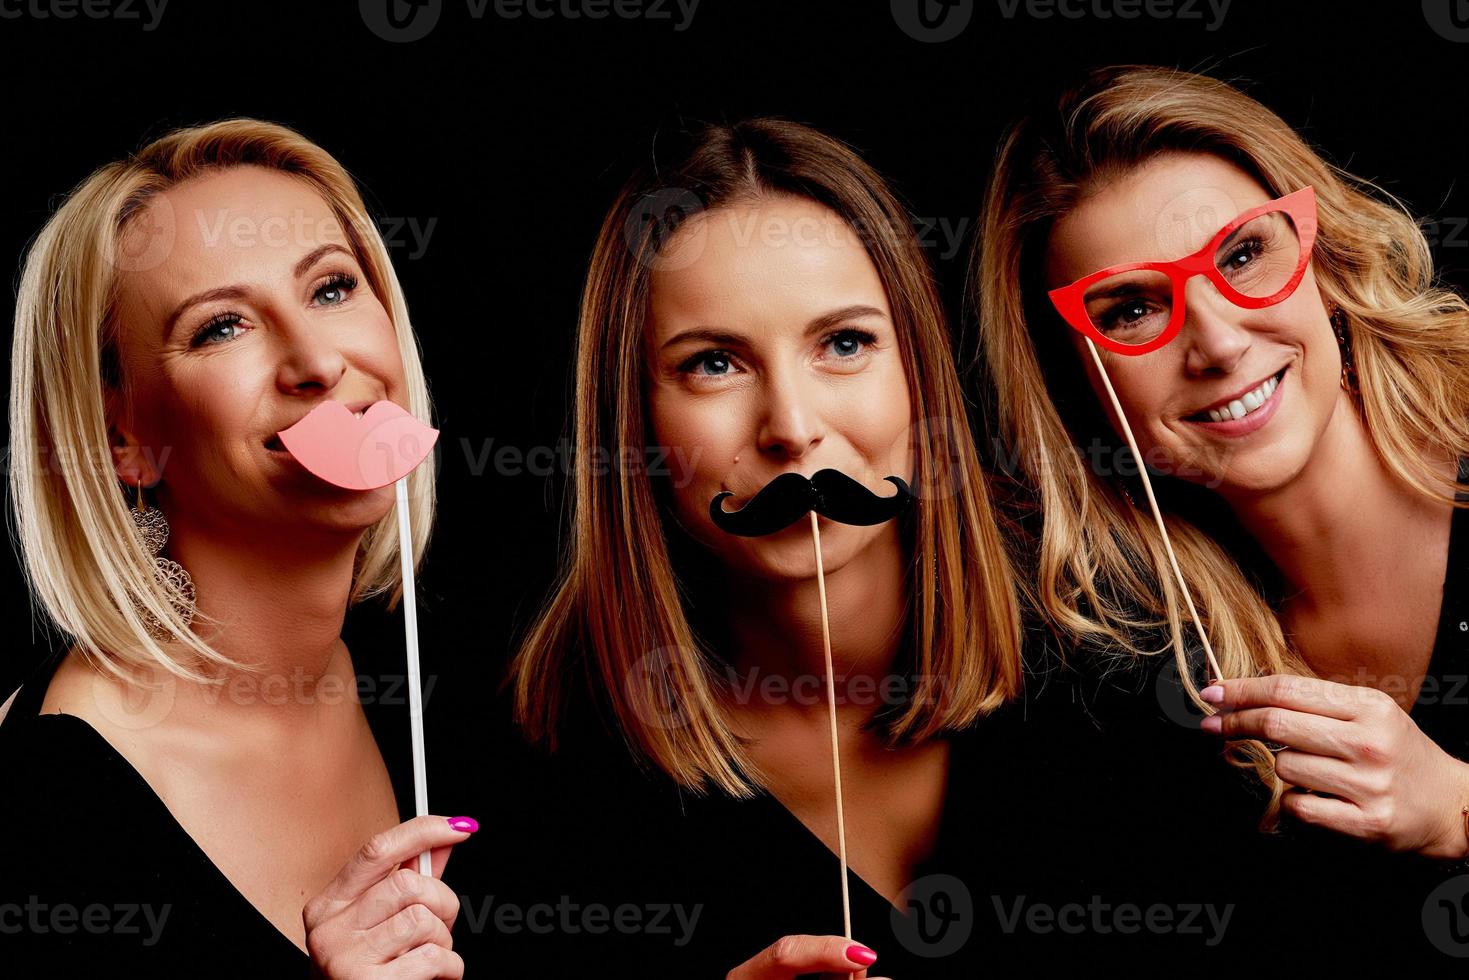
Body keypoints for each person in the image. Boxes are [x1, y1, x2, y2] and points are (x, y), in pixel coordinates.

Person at [972, 64, 1469, 962]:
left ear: (1321, 250)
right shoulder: (1125, 660)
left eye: (1242, 255)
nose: (1218, 340)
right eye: (1130, 308)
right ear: (1074, 382)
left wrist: (1454, 809)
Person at [0, 119, 474, 976]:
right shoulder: (50, 810)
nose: (319, 362)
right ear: (124, 439)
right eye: (222, 327)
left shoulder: (456, 673)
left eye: (331, 289)